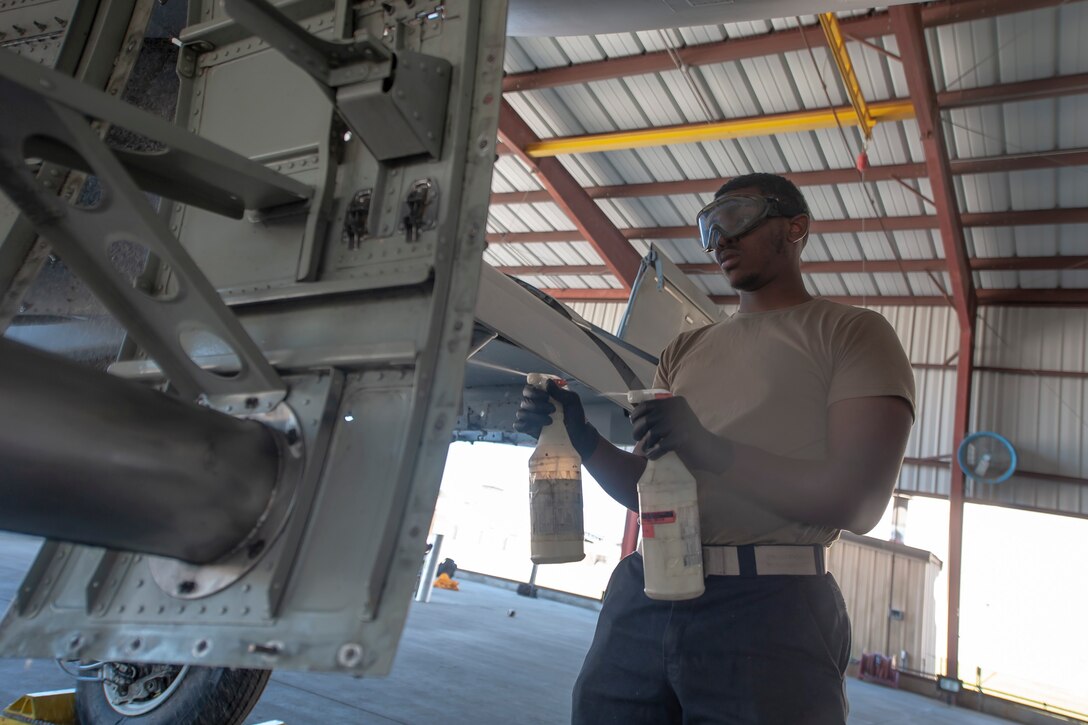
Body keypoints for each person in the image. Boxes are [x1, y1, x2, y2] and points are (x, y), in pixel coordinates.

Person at [514, 173, 916, 724]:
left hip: (770, 608)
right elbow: (654, 493)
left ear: (795, 228)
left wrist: (709, 447)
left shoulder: (851, 333)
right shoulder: (684, 350)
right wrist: (582, 438)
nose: (719, 239)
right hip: (647, 591)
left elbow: (858, 502)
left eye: (736, 218)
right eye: (708, 226)